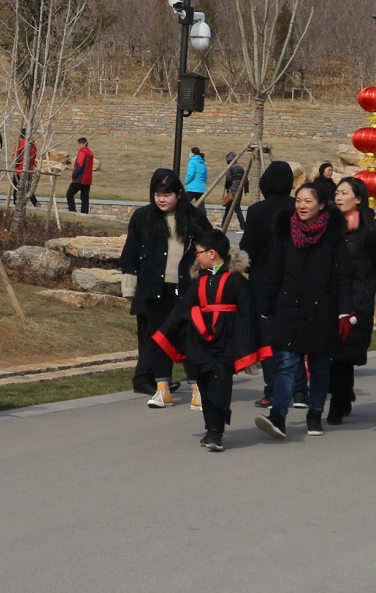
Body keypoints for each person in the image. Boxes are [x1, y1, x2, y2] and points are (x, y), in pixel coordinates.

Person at [153, 228, 267, 452]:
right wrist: (163, 333)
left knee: (220, 385)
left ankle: (217, 432)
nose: (197, 257)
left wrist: (247, 345)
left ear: (212, 254)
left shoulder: (237, 282)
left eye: (199, 253)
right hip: (200, 342)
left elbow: (248, 314)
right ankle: (210, 427)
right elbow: (182, 309)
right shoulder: (199, 282)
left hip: (226, 342)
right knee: (204, 384)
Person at [254, 183, 349, 440]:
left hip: (322, 310)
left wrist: (345, 312)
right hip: (289, 307)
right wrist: (264, 306)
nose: (302, 206)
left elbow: (343, 277)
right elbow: (273, 272)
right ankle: (278, 416)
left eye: (308, 201)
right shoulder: (285, 233)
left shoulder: (333, 237)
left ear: (321, 205)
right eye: (298, 200)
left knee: (319, 366)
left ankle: (315, 412)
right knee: (286, 364)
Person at [328, 175, 376, 424]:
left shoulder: (370, 225)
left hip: (356, 297)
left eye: (344, 193)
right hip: (329, 294)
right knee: (331, 350)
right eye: (337, 192)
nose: (338, 197)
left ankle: (337, 406)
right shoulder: (329, 223)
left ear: (358, 198)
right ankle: (343, 393)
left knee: (343, 351)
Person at [121, 168, 198, 406]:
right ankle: (162, 388)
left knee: (189, 340)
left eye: (167, 194)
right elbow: (131, 253)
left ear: (179, 194)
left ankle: (198, 389)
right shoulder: (142, 217)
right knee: (159, 339)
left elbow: (211, 249)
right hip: (154, 290)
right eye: (157, 194)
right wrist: (129, 289)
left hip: (186, 290)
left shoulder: (193, 217)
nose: (162, 199)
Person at [241, 160, 296, 408]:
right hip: (294, 279)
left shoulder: (257, 211)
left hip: (262, 282)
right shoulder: (299, 208)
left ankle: (273, 390)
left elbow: (247, 250)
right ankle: (297, 387)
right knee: (294, 336)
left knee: (269, 338)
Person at [221, 151, 248, 229]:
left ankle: (243, 226)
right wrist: (246, 189)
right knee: (229, 208)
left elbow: (228, 179)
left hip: (232, 190)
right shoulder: (241, 168)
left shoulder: (230, 167)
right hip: (239, 190)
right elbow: (245, 179)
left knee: (236, 208)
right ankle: (223, 225)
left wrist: (226, 187)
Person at [66, 137, 94, 214]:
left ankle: (72, 210)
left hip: (79, 179)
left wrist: (73, 175)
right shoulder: (90, 153)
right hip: (87, 179)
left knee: (69, 194)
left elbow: (79, 165)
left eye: (78, 144)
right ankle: (84, 213)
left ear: (82, 144)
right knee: (85, 198)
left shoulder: (82, 153)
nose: (77, 146)